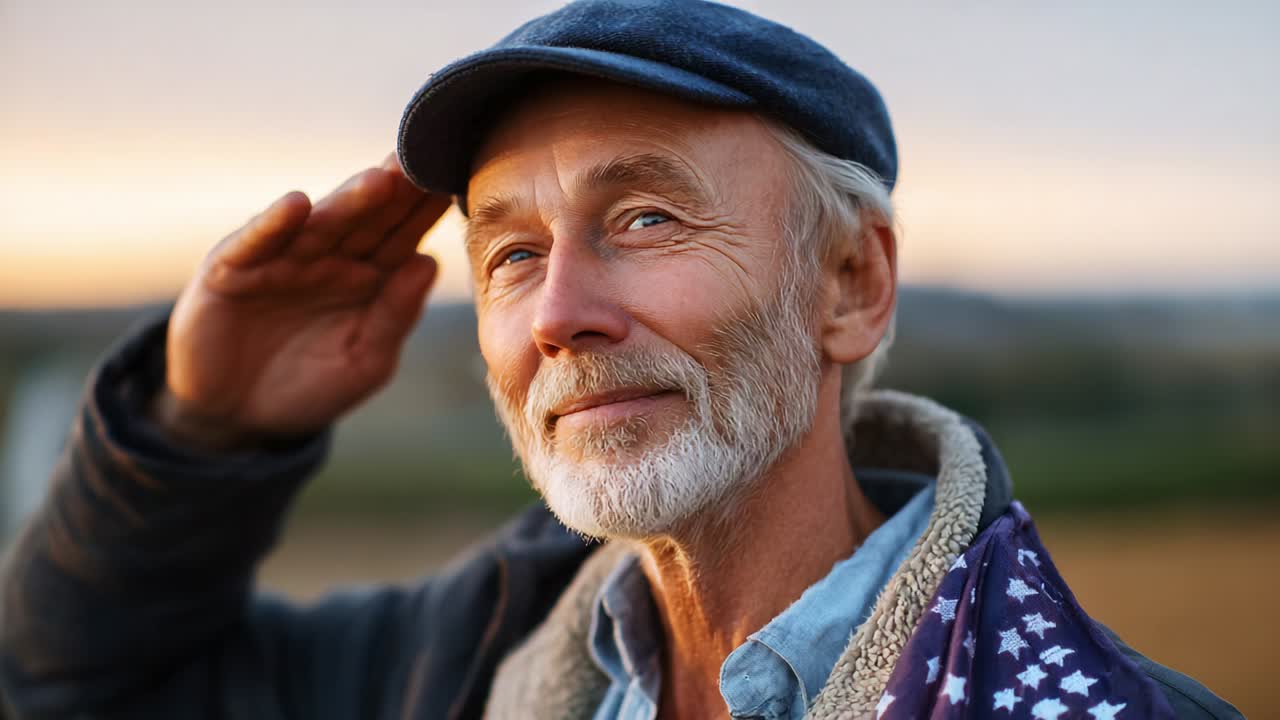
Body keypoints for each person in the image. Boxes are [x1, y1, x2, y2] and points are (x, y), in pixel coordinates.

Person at [0, 1, 1243, 719]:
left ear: (850, 284)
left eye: (645, 218)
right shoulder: (462, 653)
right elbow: (78, 687)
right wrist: (200, 430)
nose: (559, 313)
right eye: (511, 254)